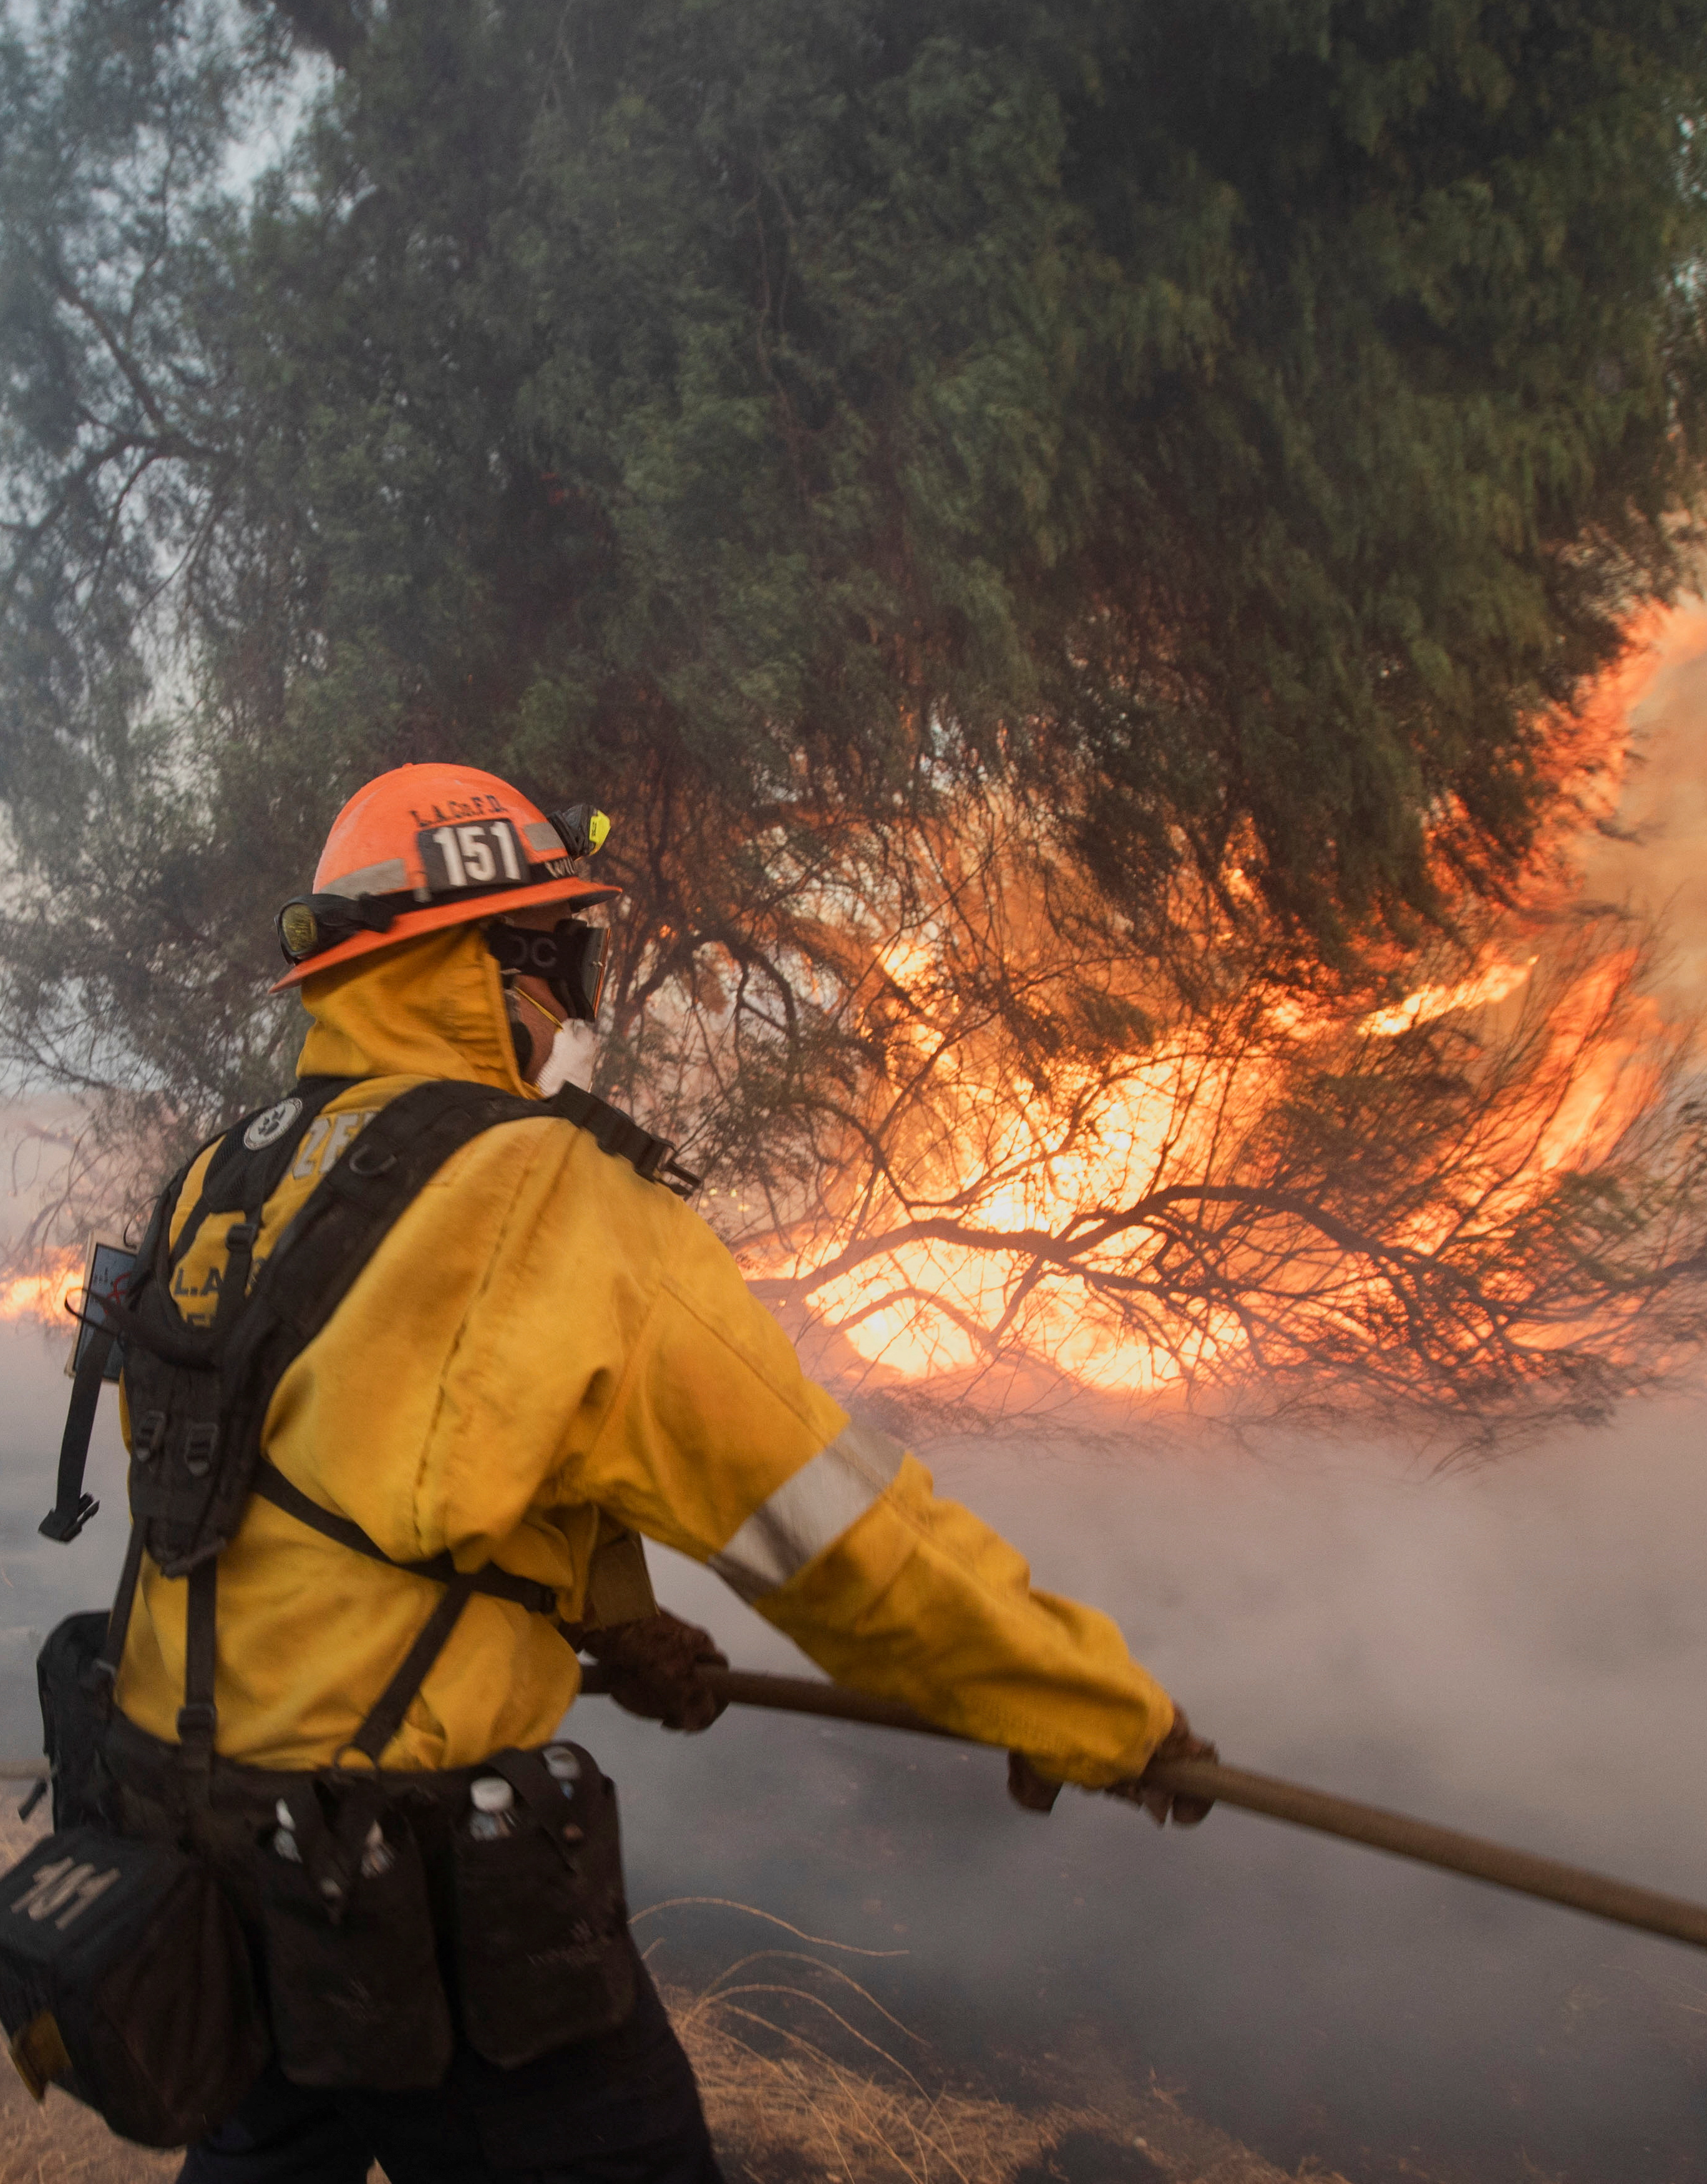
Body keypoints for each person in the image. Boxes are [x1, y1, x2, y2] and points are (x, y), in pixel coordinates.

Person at [97, 764, 1213, 2183]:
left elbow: (358, 1475)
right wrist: (1089, 1706)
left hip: (195, 1839)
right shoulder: (545, 1195)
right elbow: (837, 1538)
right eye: (560, 956)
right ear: (488, 963)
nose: (574, 1002)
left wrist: (608, 1618)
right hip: (407, 1893)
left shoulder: (231, 1176)